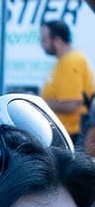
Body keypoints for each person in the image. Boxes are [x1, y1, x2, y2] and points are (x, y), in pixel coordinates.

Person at [39, 18, 91, 146]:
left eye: (44, 40)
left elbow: (71, 104)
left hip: (72, 136)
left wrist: (40, 103)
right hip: (67, 134)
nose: (41, 44)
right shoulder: (65, 61)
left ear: (57, 40)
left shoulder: (71, 62)